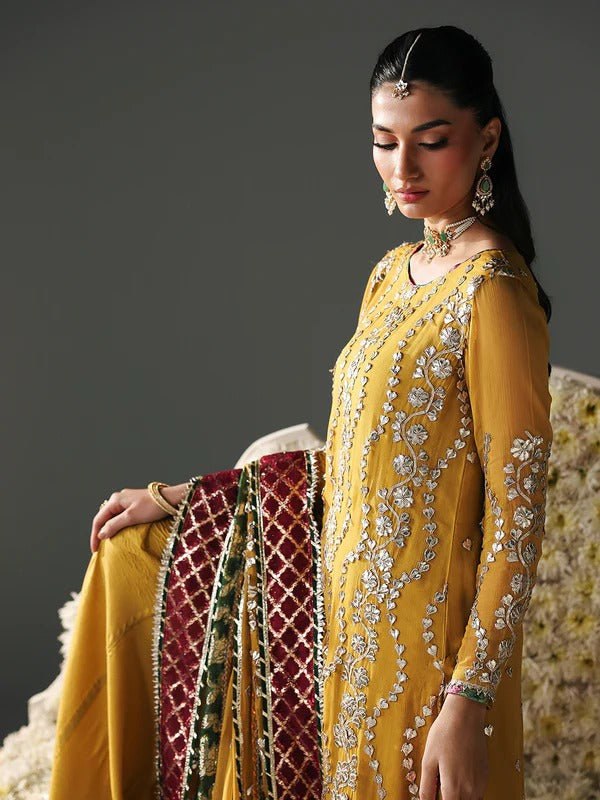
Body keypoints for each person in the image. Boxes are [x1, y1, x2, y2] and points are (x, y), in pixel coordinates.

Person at [49, 24, 553, 800]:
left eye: (431, 140)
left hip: (433, 662)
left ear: (486, 140)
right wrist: (188, 497)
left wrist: (469, 697)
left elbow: (518, 520)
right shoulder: (393, 275)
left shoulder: (494, 292)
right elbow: (366, 462)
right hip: (345, 642)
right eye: (384, 142)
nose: (402, 168)